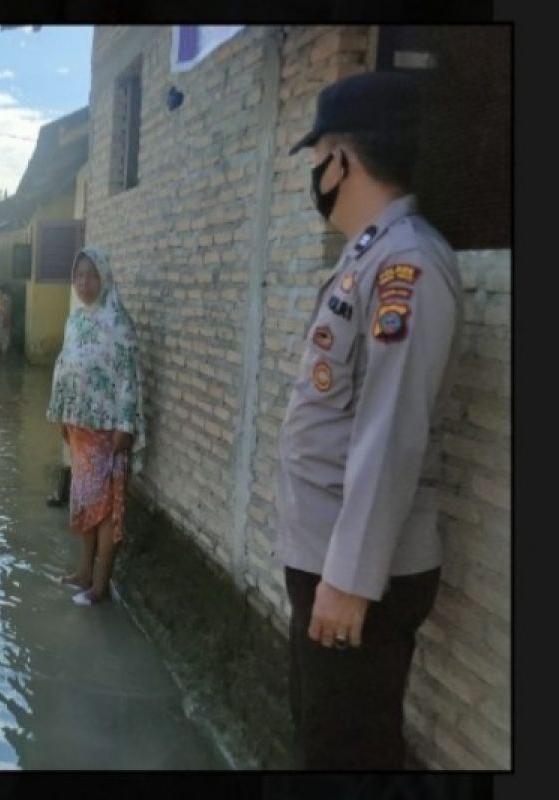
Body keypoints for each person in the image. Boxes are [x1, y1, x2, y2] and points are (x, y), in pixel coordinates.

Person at [277, 70, 463, 769]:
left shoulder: (406, 265)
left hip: (358, 577)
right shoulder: (369, 256)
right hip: (331, 561)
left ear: (343, 159)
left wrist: (349, 582)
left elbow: (393, 433)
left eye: (317, 157)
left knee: (346, 751)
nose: (316, 175)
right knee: (323, 737)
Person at [46, 247, 144, 606]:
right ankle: (84, 571)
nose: (85, 283)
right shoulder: (77, 319)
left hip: (108, 432)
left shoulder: (118, 322)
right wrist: (62, 415)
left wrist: (125, 424)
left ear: (104, 277)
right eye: (79, 276)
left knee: (107, 511)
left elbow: (129, 379)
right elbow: (65, 368)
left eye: (92, 276)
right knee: (86, 503)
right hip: (80, 428)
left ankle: (100, 586)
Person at [0, 282, 13, 358]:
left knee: (4, 345)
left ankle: (3, 360)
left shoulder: (7, 299)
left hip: (4, 324)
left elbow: (9, 311)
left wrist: (6, 320)